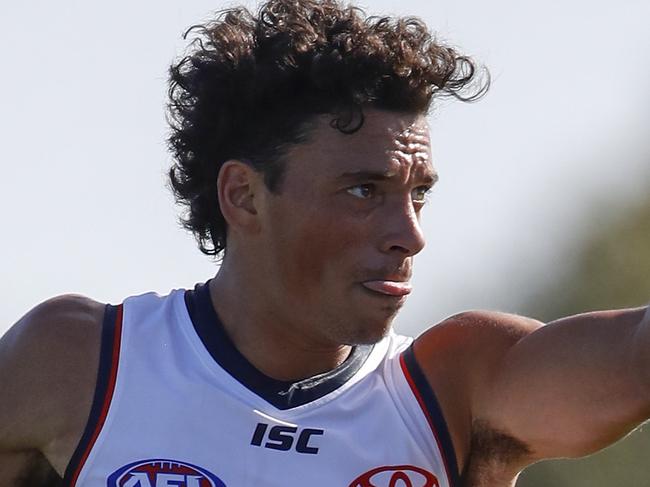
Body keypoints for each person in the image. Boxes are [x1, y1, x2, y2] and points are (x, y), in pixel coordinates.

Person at [1, 0, 648, 485]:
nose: (411, 235)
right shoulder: (80, 361)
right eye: (364, 191)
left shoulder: (456, 386)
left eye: (418, 193)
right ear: (244, 196)